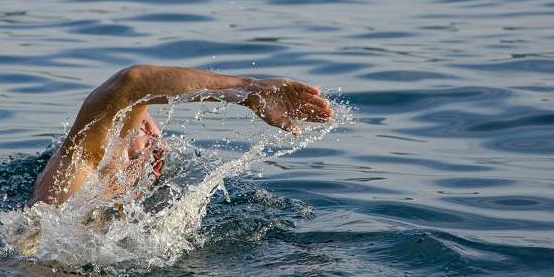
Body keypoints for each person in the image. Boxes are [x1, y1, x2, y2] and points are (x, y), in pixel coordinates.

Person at [28, 65, 333, 207]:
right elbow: (131, 84)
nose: (151, 134)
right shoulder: (70, 180)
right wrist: (248, 90)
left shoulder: (98, 205)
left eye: (152, 134)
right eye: (139, 122)